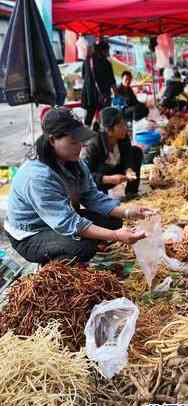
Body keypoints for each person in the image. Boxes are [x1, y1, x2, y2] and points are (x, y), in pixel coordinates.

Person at [4, 108, 152, 265]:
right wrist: (115, 235)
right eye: (73, 142)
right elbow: (68, 222)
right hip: (32, 233)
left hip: (56, 219)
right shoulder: (37, 176)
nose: (79, 147)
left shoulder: (73, 162)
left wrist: (130, 212)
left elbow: (92, 197)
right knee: (82, 248)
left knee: (114, 221)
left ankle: (80, 246)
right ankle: (53, 265)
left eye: (80, 141)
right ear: (52, 140)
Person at [82, 107, 143, 199]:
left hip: (116, 170)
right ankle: (100, 199)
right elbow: (86, 175)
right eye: (121, 125)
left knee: (136, 151)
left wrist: (129, 169)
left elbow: (128, 155)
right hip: (102, 179)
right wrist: (108, 179)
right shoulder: (94, 145)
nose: (125, 128)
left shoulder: (123, 137)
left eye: (124, 124)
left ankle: (131, 192)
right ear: (109, 130)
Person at [81, 40, 117, 127]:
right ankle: (101, 135)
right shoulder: (106, 63)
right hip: (103, 95)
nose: (108, 52)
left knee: (89, 118)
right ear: (103, 50)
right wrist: (116, 94)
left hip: (89, 95)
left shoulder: (87, 61)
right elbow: (111, 81)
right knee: (104, 117)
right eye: (107, 50)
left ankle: (87, 136)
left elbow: (83, 76)